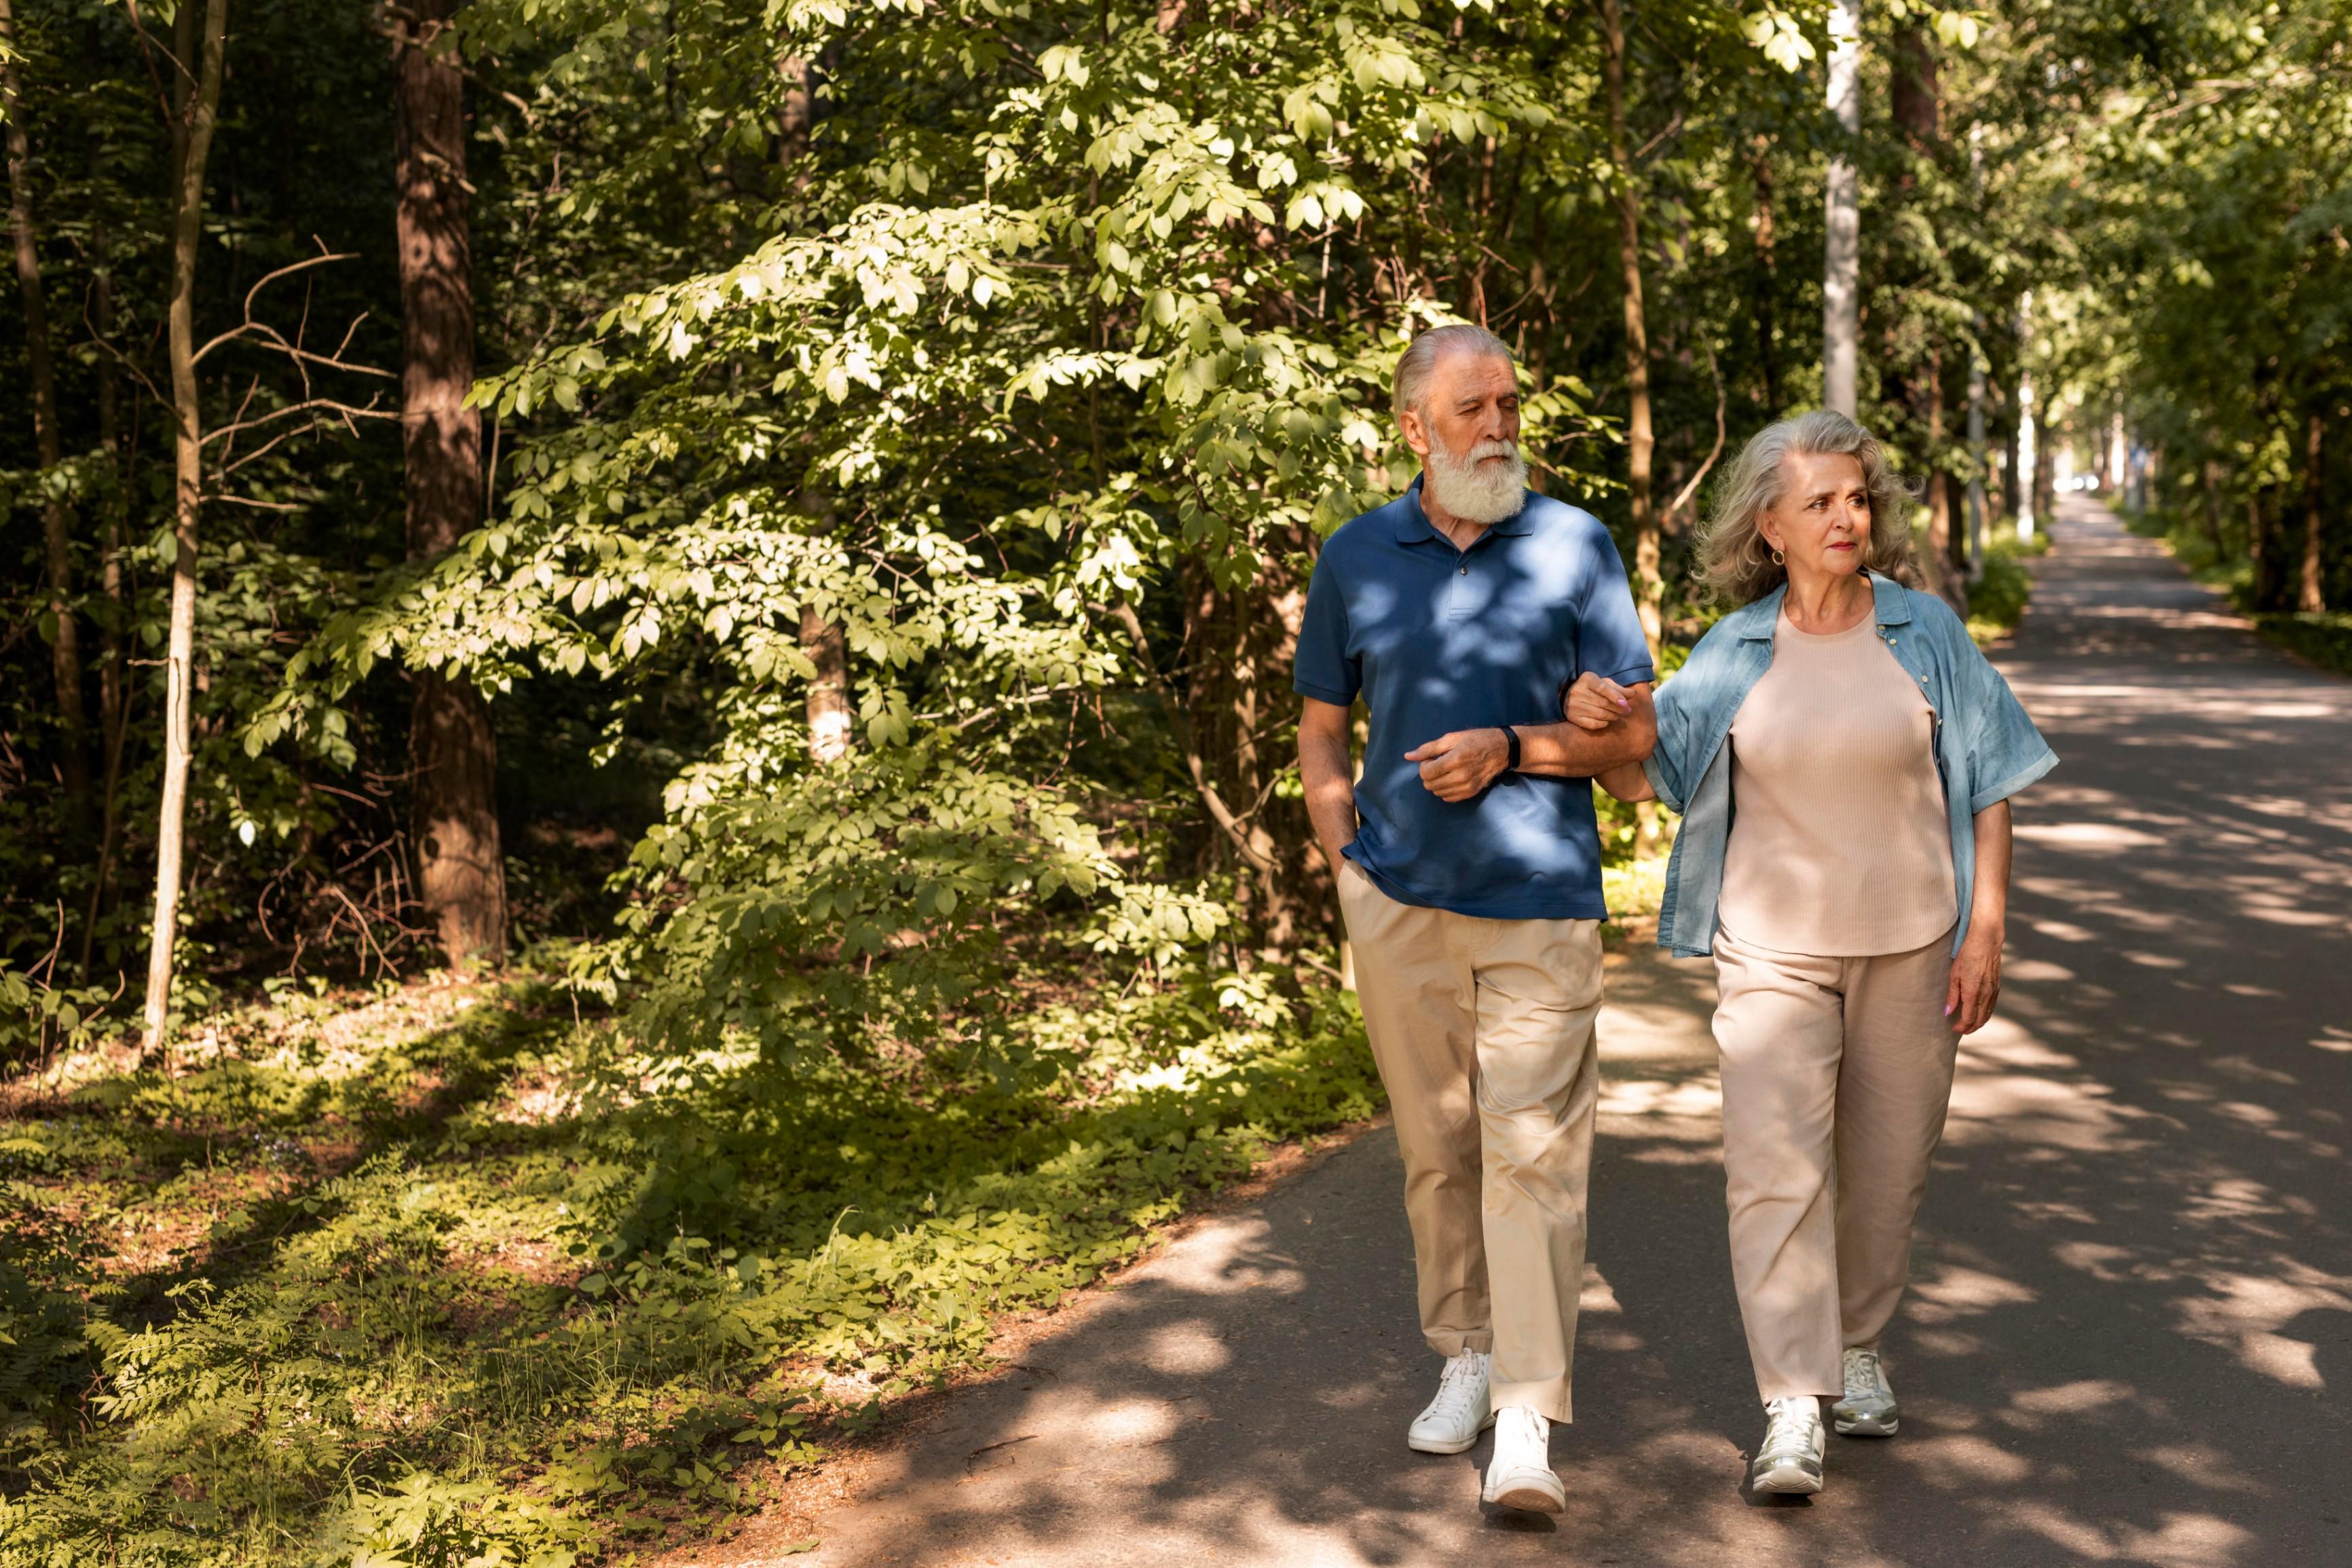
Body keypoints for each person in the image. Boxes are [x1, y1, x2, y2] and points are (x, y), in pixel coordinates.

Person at [1565, 410, 2056, 1496]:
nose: (1847, 516)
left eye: (1857, 497)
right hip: (1771, 952)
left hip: (1915, 944)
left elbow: (1990, 787)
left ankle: (1858, 1345)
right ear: (1770, 527)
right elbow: (1642, 771)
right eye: (1820, 502)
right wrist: (1600, 718)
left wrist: (1985, 932)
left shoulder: (1923, 631)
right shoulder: (1734, 648)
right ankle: (1790, 1399)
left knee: (1887, 1173)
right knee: (1772, 1171)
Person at [1292, 324, 1659, 1514]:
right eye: (1473, 409)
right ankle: (1464, 1350)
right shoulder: (1355, 555)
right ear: (1414, 428)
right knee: (1437, 1151)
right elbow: (1319, 725)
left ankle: (1523, 1417)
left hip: (1539, 902)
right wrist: (1344, 855)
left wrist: (1525, 744)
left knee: (1533, 1157)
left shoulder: (1574, 546)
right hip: (1396, 904)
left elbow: (1635, 743)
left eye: (1509, 405)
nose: (1499, 426)